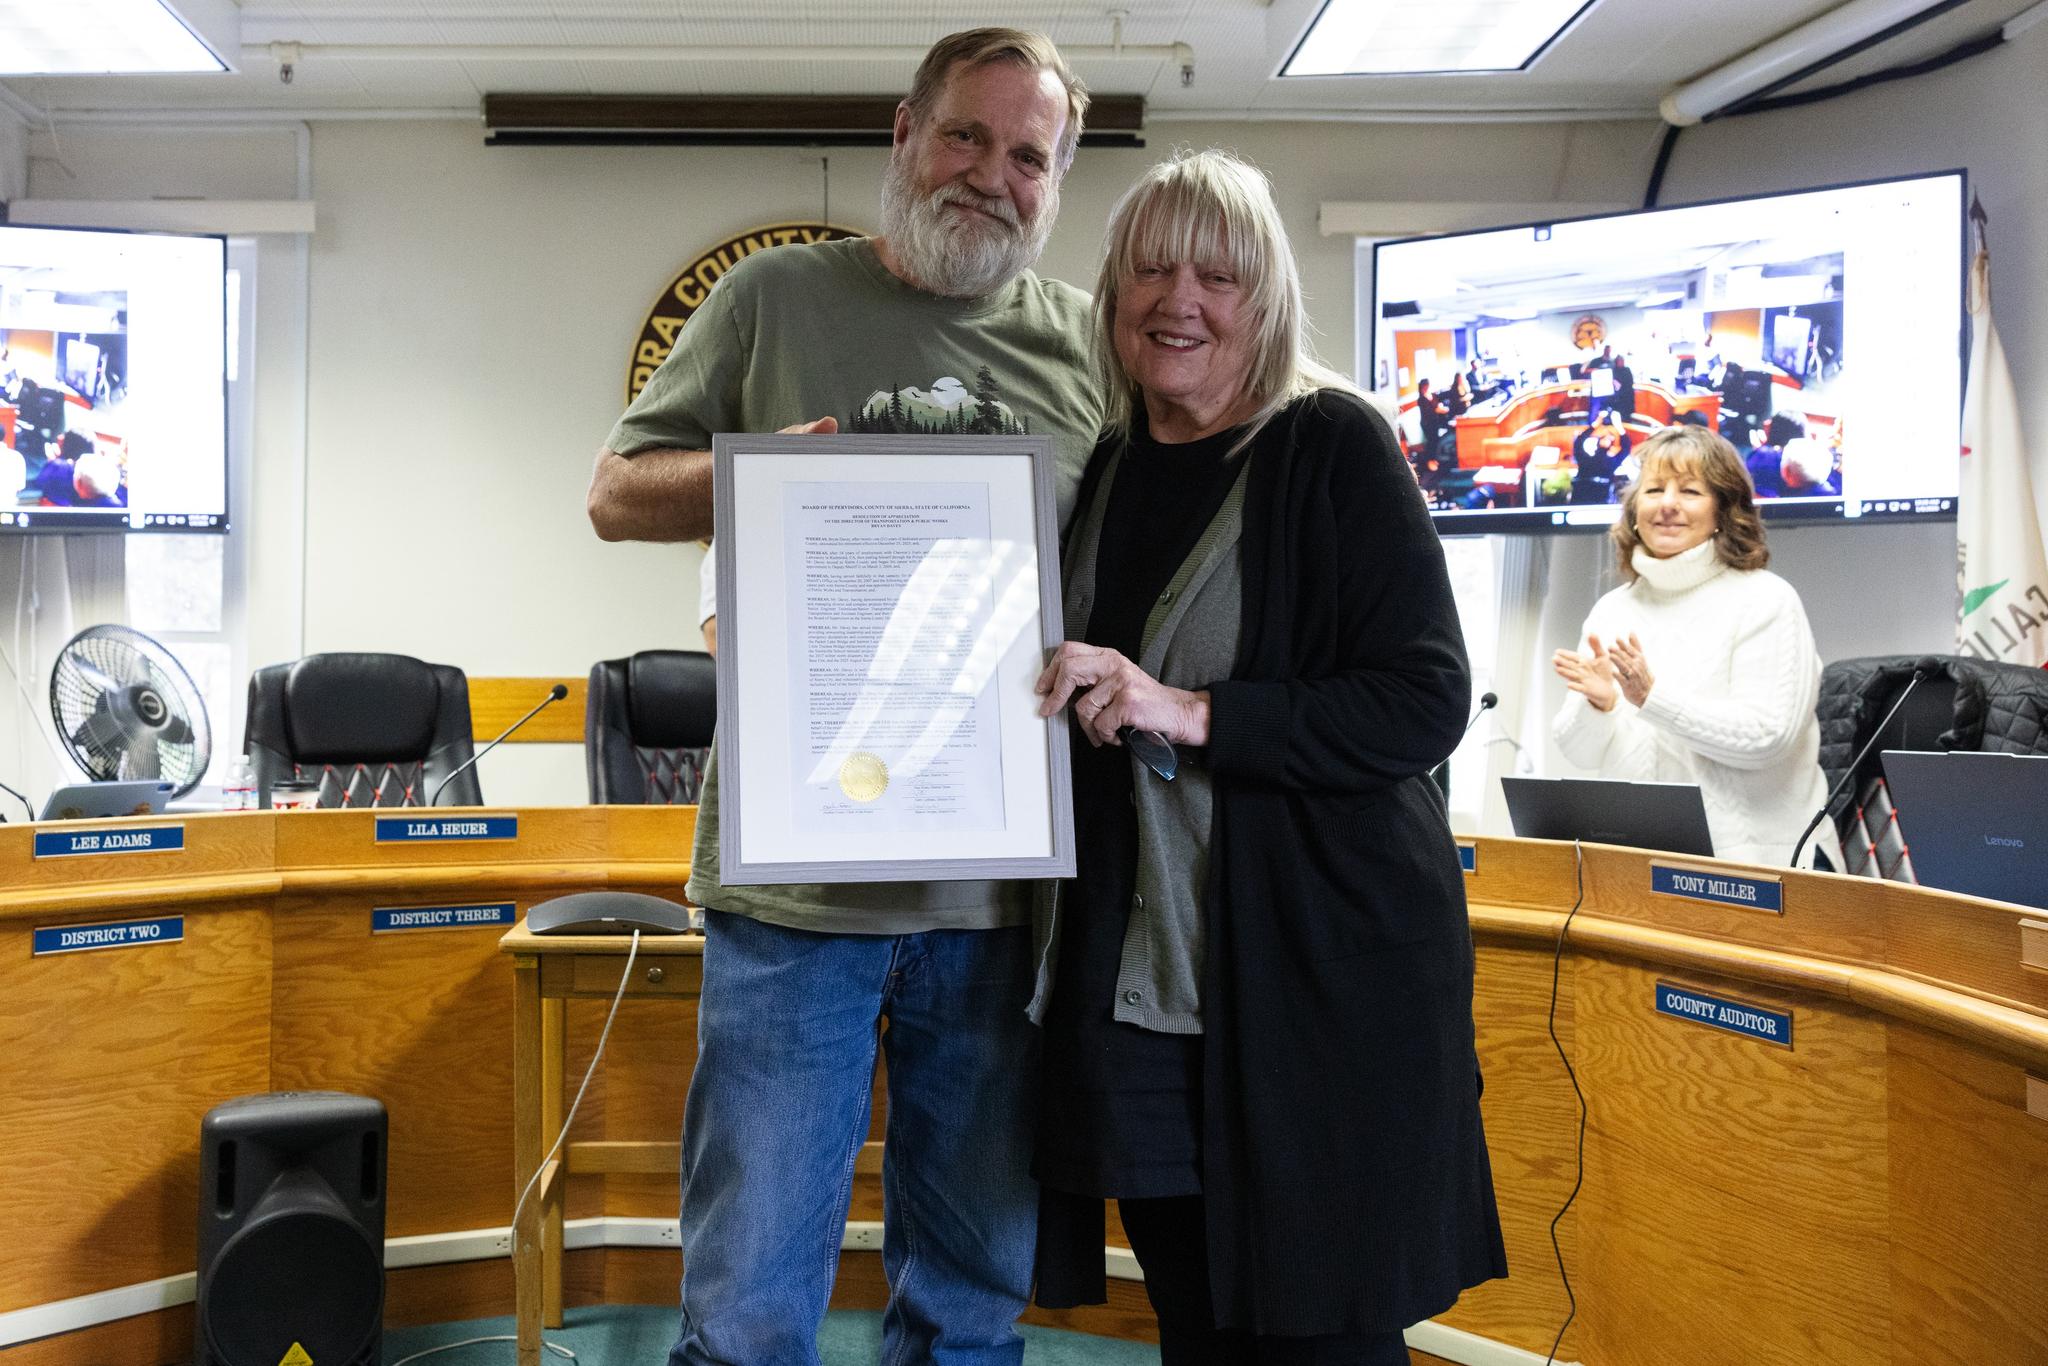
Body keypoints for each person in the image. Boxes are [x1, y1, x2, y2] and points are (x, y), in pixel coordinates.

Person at [587, 29, 1102, 1366]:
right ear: (905, 133)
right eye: (968, 137)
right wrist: (759, 473)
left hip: (1000, 904)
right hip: (791, 901)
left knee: (971, 1301)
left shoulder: (1087, 349)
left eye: (1029, 156)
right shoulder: (771, 300)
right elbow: (614, 492)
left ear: (1056, 182)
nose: (994, 175)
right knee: (751, 1304)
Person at [1029, 149, 1505, 1364]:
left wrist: (1195, 712)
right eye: (1147, 266)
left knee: (1315, 1337)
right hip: (1145, 988)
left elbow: (1423, 697)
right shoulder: (1114, 465)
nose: (1175, 297)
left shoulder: (1329, 445)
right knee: (1194, 1318)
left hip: (1307, 983)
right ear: (1111, 293)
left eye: (1216, 273)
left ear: (1266, 297)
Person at [1551, 425, 1843, 868]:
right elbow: (1579, 752)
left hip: (1768, 866)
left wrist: (1653, 698)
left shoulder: (1766, 600)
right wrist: (1600, 705)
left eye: (1689, 491)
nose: (1667, 505)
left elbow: (1768, 738)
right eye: (1653, 490)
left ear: (1724, 511)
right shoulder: (1613, 610)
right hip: (1641, 863)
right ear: (1633, 511)